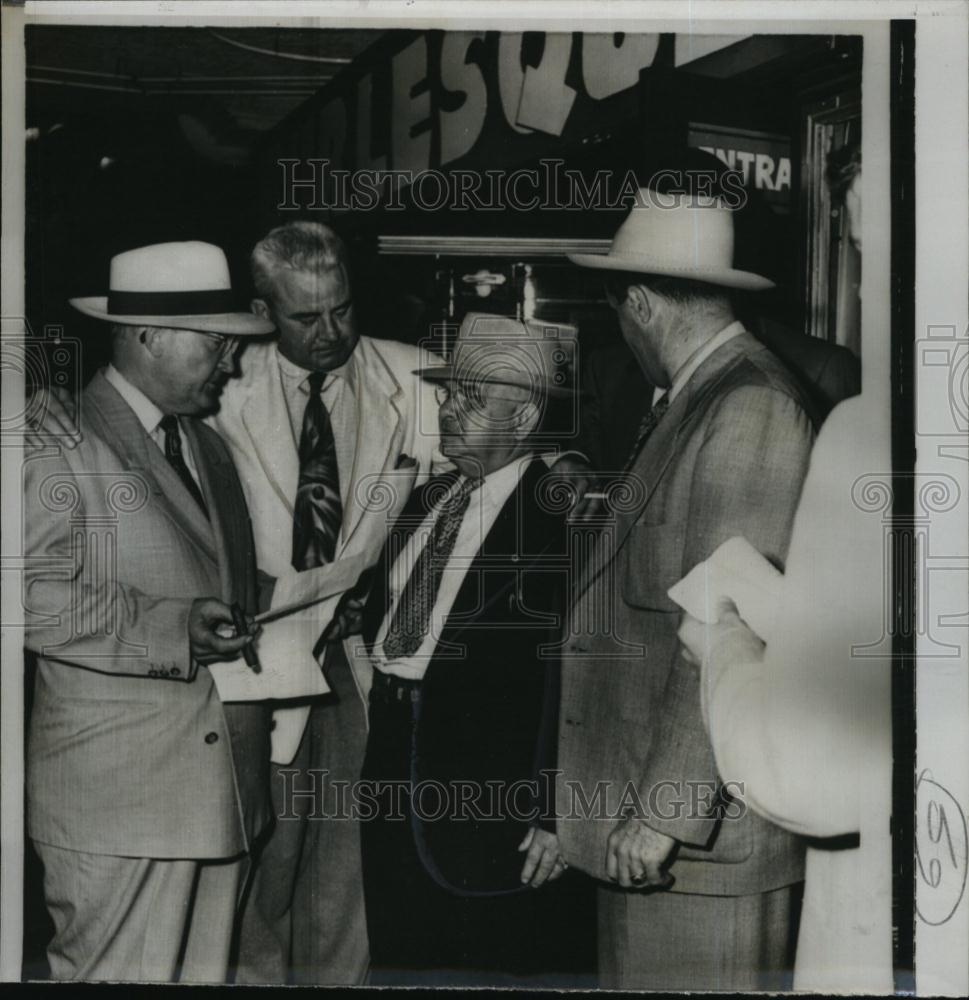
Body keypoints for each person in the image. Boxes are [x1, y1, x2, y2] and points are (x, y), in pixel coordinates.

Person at [556, 190, 817, 990]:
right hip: (653, 828)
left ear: (638, 302)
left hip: (695, 839)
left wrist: (663, 812)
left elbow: (727, 621)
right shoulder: (702, 400)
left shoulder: (748, 407)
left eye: (618, 313)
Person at [23, 241, 276, 982]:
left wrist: (286, 599)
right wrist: (171, 627)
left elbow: (200, 570)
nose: (229, 363)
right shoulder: (55, 438)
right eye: (216, 344)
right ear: (147, 336)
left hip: (219, 798)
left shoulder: (206, 446)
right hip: (120, 805)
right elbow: (20, 593)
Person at [676, 153, 893, 993]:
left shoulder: (874, 429)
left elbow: (805, 770)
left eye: (872, 252)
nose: (868, 287)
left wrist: (724, 640)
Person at [208, 221, 445, 985]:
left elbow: (512, 437)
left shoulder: (413, 377)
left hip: (352, 658)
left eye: (341, 309)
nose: (331, 332)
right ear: (260, 310)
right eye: (305, 318)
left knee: (347, 872)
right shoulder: (217, 383)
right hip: (249, 663)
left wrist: (568, 463)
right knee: (261, 865)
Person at [349, 313, 596, 987]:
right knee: (400, 959)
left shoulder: (561, 521)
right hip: (390, 764)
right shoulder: (428, 498)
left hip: (492, 799)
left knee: (489, 967)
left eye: (468, 398)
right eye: (447, 392)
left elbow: (573, 682)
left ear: (520, 419)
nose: (447, 410)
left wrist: (556, 811)